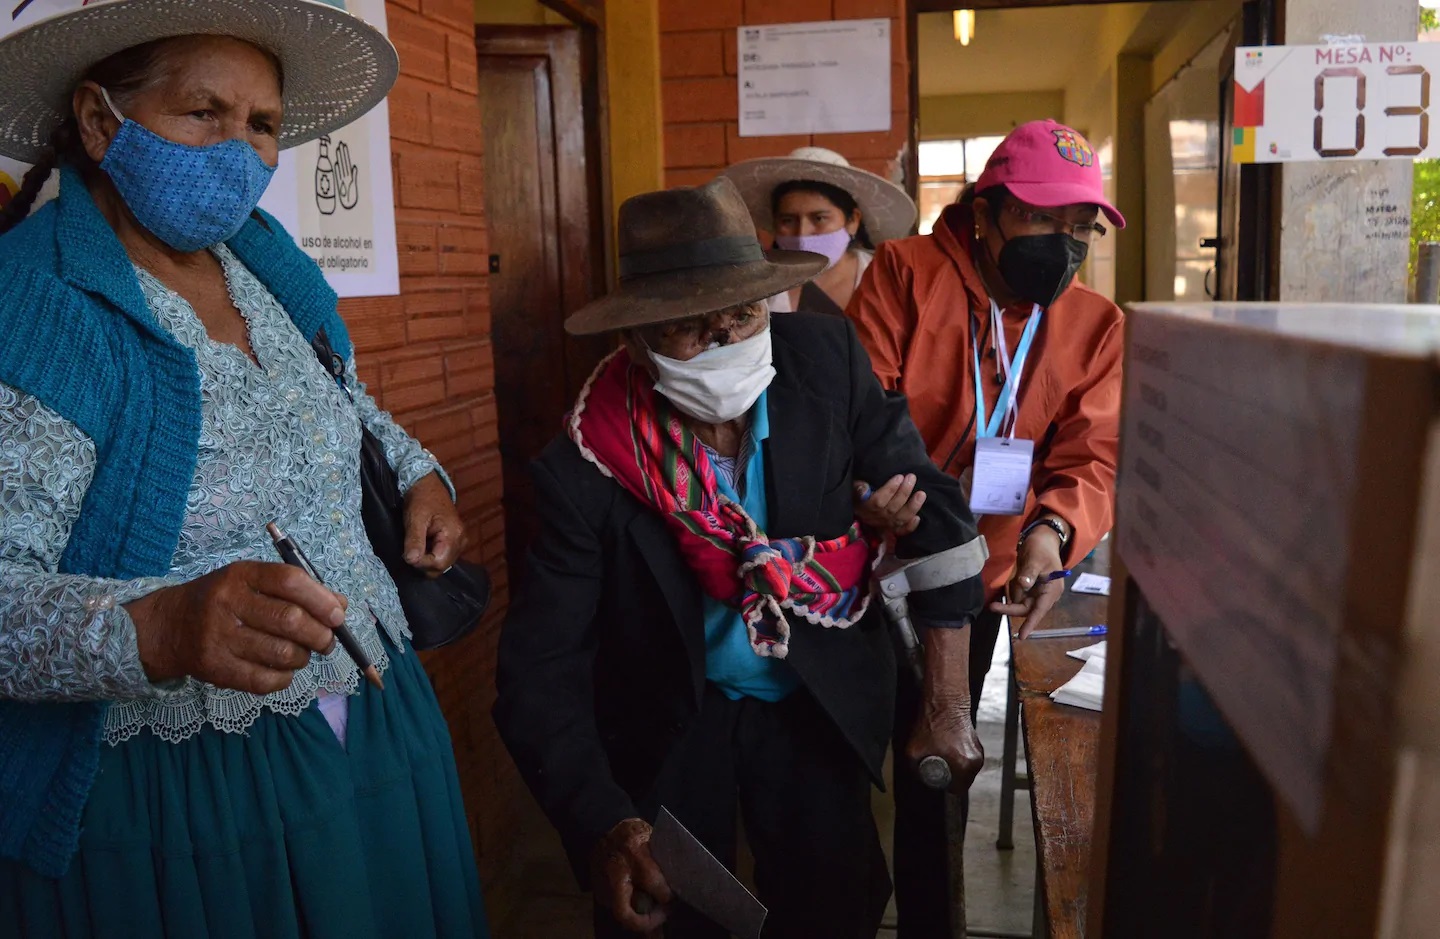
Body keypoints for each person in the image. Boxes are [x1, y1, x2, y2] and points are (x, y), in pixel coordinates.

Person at [0, 3, 489, 936]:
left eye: (262, 125)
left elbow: (347, 405)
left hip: (379, 721)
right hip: (193, 796)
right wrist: (159, 625)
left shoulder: (266, 262)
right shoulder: (34, 304)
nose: (241, 150)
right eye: (203, 113)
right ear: (102, 122)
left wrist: (424, 474)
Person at [493, 176, 988, 939]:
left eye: (742, 315)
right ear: (636, 339)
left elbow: (935, 509)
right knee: (673, 911)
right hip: (670, 712)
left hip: (811, 696)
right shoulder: (585, 460)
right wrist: (604, 822)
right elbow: (539, 669)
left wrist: (948, 702)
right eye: (690, 328)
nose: (725, 341)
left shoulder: (823, 360)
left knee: (835, 902)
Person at [845, 118, 1124, 938]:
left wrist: (1051, 536)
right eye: (1042, 219)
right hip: (873, 557)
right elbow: (869, 409)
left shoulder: (1094, 326)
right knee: (840, 754)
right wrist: (875, 494)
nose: (1063, 245)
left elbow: (1092, 456)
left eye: (1080, 228)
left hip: (982, 579)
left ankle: (933, 921)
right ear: (985, 212)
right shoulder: (906, 274)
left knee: (938, 765)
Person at [723, 146, 917, 317]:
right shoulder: (757, 287)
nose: (802, 233)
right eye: (788, 220)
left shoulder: (885, 279)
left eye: (819, 218)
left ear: (853, 221)